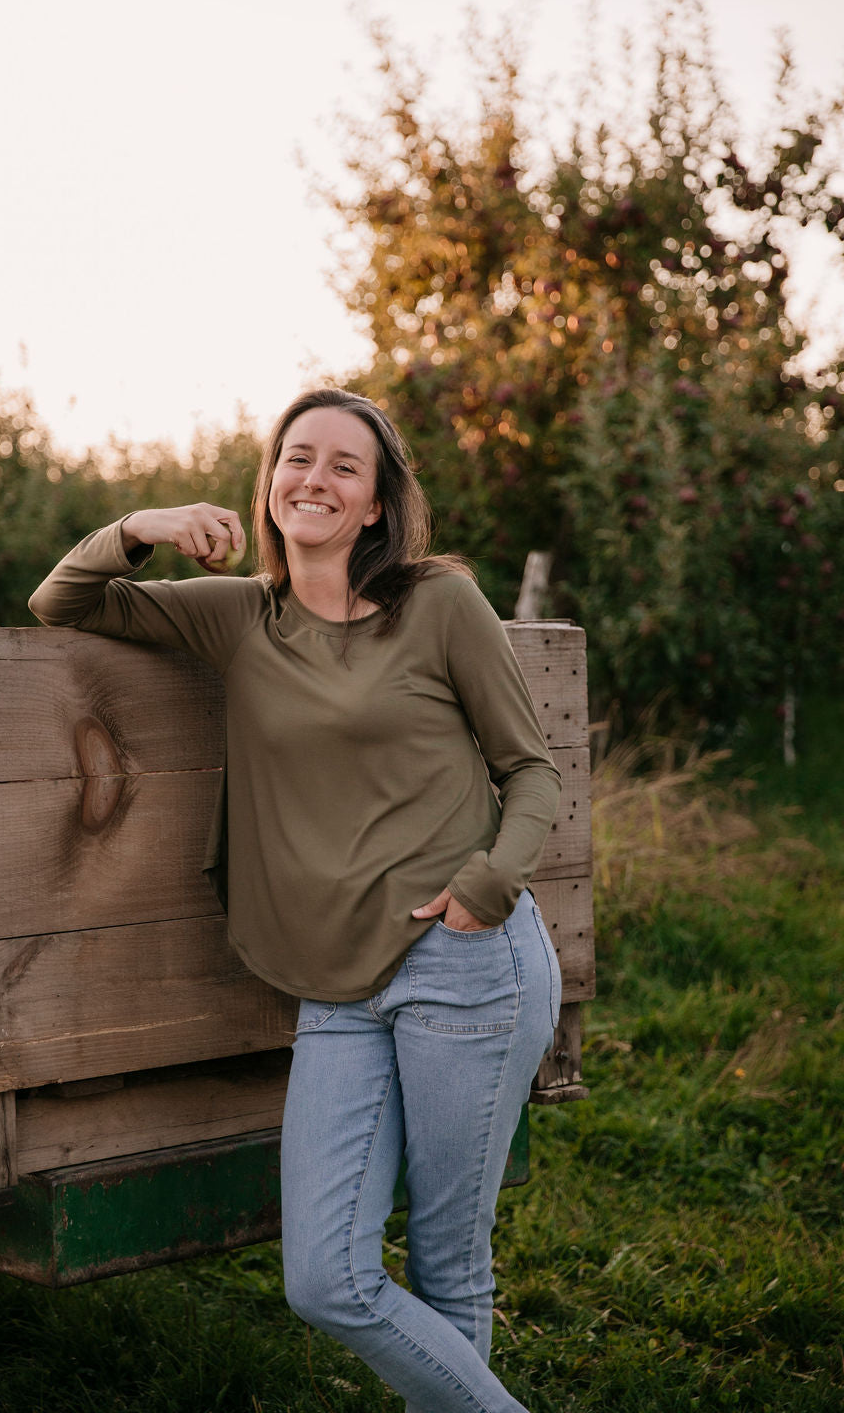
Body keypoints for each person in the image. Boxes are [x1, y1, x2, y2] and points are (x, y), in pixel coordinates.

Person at [29, 386, 563, 1413]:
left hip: (460, 963)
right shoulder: (238, 618)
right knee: (325, 1280)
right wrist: (144, 526)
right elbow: (64, 603)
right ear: (270, 483)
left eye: (342, 467)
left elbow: (531, 770)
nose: (313, 478)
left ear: (375, 505)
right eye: (296, 458)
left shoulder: (438, 604)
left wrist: (484, 888)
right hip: (331, 987)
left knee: (451, 1264)